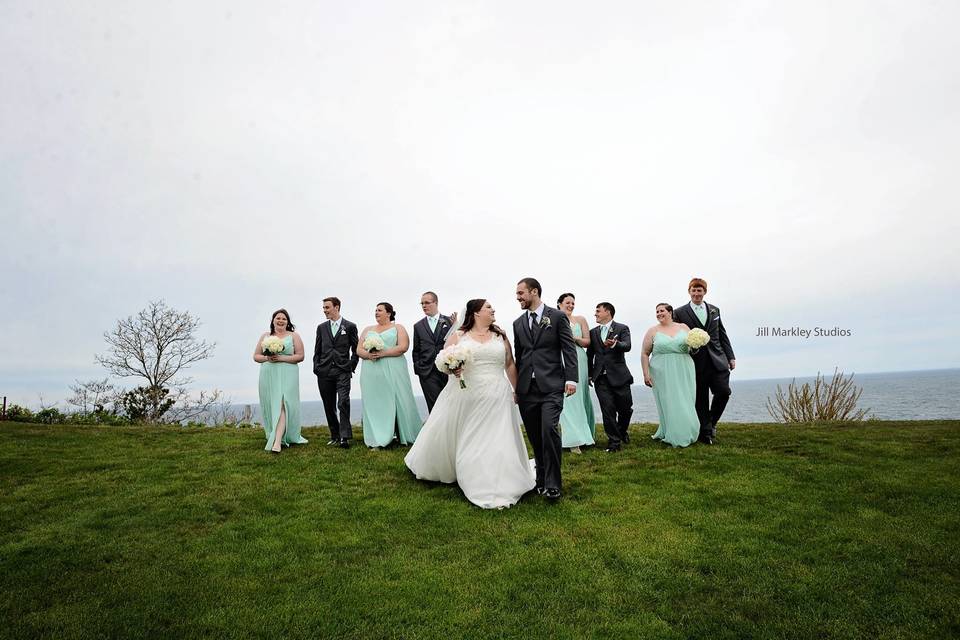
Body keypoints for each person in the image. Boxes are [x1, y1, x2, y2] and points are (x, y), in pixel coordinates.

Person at [405, 299, 535, 509]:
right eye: (488, 308)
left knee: (497, 435)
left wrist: (517, 390)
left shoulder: (500, 335)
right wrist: (452, 369)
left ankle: (499, 475)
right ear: (476, 313)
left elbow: (509, 363)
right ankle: (471, 471)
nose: (493, 310)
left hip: (497, 393)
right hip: (467, 394)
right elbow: (444, 361)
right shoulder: (460, 336)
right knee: (471, 434)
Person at [513, 278, 578, 501]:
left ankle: (553, 484)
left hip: (551, 386)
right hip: (526, 389)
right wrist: (516, 388)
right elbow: (519, 357)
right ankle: (540, 478)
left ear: (534, 292)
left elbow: (569, 349)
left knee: (549, 430)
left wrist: (572, 379)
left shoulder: (557, 317)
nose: (518, 297)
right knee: (534, 436)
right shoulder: (518, 323)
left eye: (521, 293)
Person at [671, 278, 736, 445]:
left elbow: (722, 334)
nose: (696, 293)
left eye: (699, 290)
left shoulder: (715, 310)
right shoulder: (679, 312)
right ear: (689, 292)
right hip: (694, 361)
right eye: (693, 290)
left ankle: (712, 422)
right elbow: (678, 336)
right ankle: (705, 433)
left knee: (723, 392)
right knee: (700, 398)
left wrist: (730, 356)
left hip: (718, 359)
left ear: (704, 292)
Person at [358, 302, 422, 448]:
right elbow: (359, 350)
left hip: (394, 369)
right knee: (376, 402)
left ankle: (405, 434)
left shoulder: (398, 328)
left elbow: (403, 346)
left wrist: (383, 353)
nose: (376, 312)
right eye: (375, 310)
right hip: (371, 371)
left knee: (399, 399)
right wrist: (368, 356)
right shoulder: (368, 329)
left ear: (389, 313)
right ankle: (378, 437)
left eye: (379, 310)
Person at [641, 303, 700, 447]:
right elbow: (644, 353)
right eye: (657, 311)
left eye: (662, 311)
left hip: (684, 367)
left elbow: (693, 350)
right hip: (661, 370)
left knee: (686, 398)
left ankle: (688, 430)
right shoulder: (652, 331)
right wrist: (646, 374)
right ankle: (673, 432)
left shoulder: (683, 327)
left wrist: (696, 346)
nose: (659, 313)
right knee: (669, 400)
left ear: (670, 312)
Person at [253, 309, 308, 453]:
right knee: (273, 404)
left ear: (288, 322)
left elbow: (300, 356)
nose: (281, 320)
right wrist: (267, 358)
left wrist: (281, 358)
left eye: (284, 318)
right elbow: (256, 356)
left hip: (288, 374)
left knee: (283, 403)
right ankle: (276, 435)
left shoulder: (294, 336)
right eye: (278, 318)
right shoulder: (265, 336)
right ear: (273, 320)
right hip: (269, 374)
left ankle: (277, 442)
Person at [587, 302, 634, 452]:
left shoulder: (622, 328)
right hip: (600, 378)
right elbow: (590, 356)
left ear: (608, 312)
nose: (595, 314)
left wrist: (615, 344)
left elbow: (627, 345)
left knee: (626, 409)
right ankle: (614, 443)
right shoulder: (592, 332)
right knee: (608, 411)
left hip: (620, 376)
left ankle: (621, 431)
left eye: (598, 311)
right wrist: (589, 374)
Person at [313, 296, 359, 449]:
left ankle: (344, 437)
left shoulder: (350, 326)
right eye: (324, 308)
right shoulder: (321, 328)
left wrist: (351, 365)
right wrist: (317, 367)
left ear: (337, 307)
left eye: (327, 307)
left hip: (342, 371)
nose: (324, 310)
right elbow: (317, 350)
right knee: (329, 404)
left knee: (343, 401)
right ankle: (335, 435)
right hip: (324, 371)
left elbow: (356, 349)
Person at [556, 293, 595, 452]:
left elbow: (587, 341)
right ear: (559, 304)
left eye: (573, 303)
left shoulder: (580, 320)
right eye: (567, 302)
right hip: (561, 357)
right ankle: (572, 439)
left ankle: (584, 435)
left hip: (579, 357)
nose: (571, 305)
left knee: (579, 395)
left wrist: (572, 338)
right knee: (566, 398)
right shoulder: (555, 318)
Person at [412, 291, 456, 412]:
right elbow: (416, 350)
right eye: (422, 303)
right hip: (427, 372)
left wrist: (455, 326)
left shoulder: (449, 321)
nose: (424, 306)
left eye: (427, 303)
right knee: (435, 407)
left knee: (451, 404)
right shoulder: (418, 326)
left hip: (448, 370)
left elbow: (458, 342)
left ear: (436, 303)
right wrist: (418, 368)